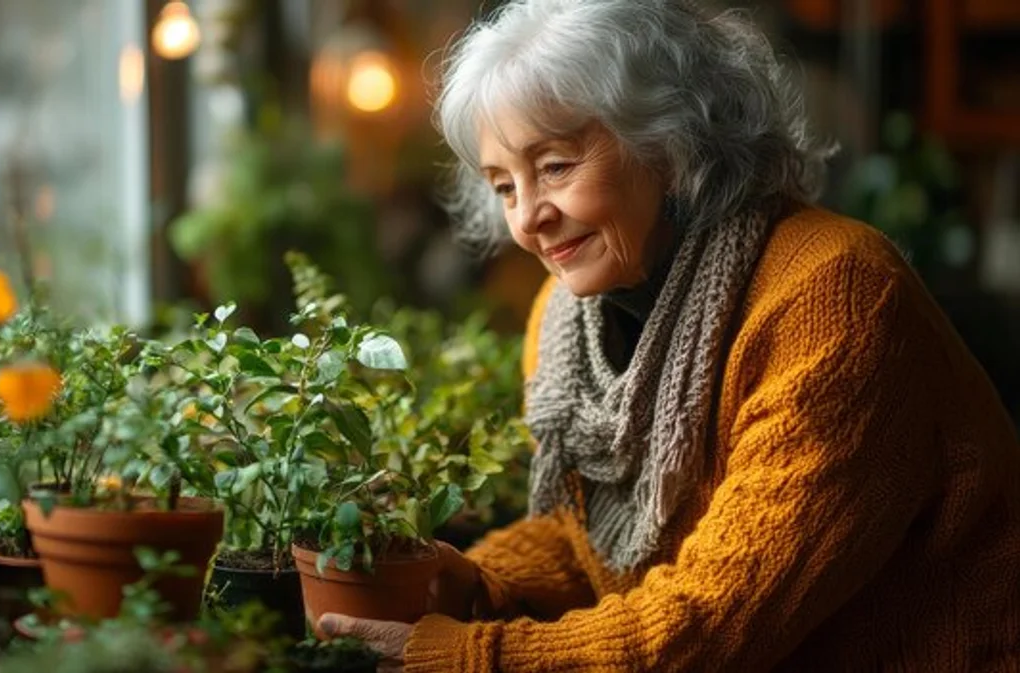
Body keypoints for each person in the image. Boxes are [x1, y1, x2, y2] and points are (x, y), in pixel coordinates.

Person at [318, 0, 1020, 670]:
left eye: (556, 166)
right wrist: (475, 578)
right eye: (504, 185)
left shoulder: (835, 296)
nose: (529, 217)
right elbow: (595, 539)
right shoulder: (567, 316)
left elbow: (714, 623)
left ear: (671, 143)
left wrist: (471, 656)